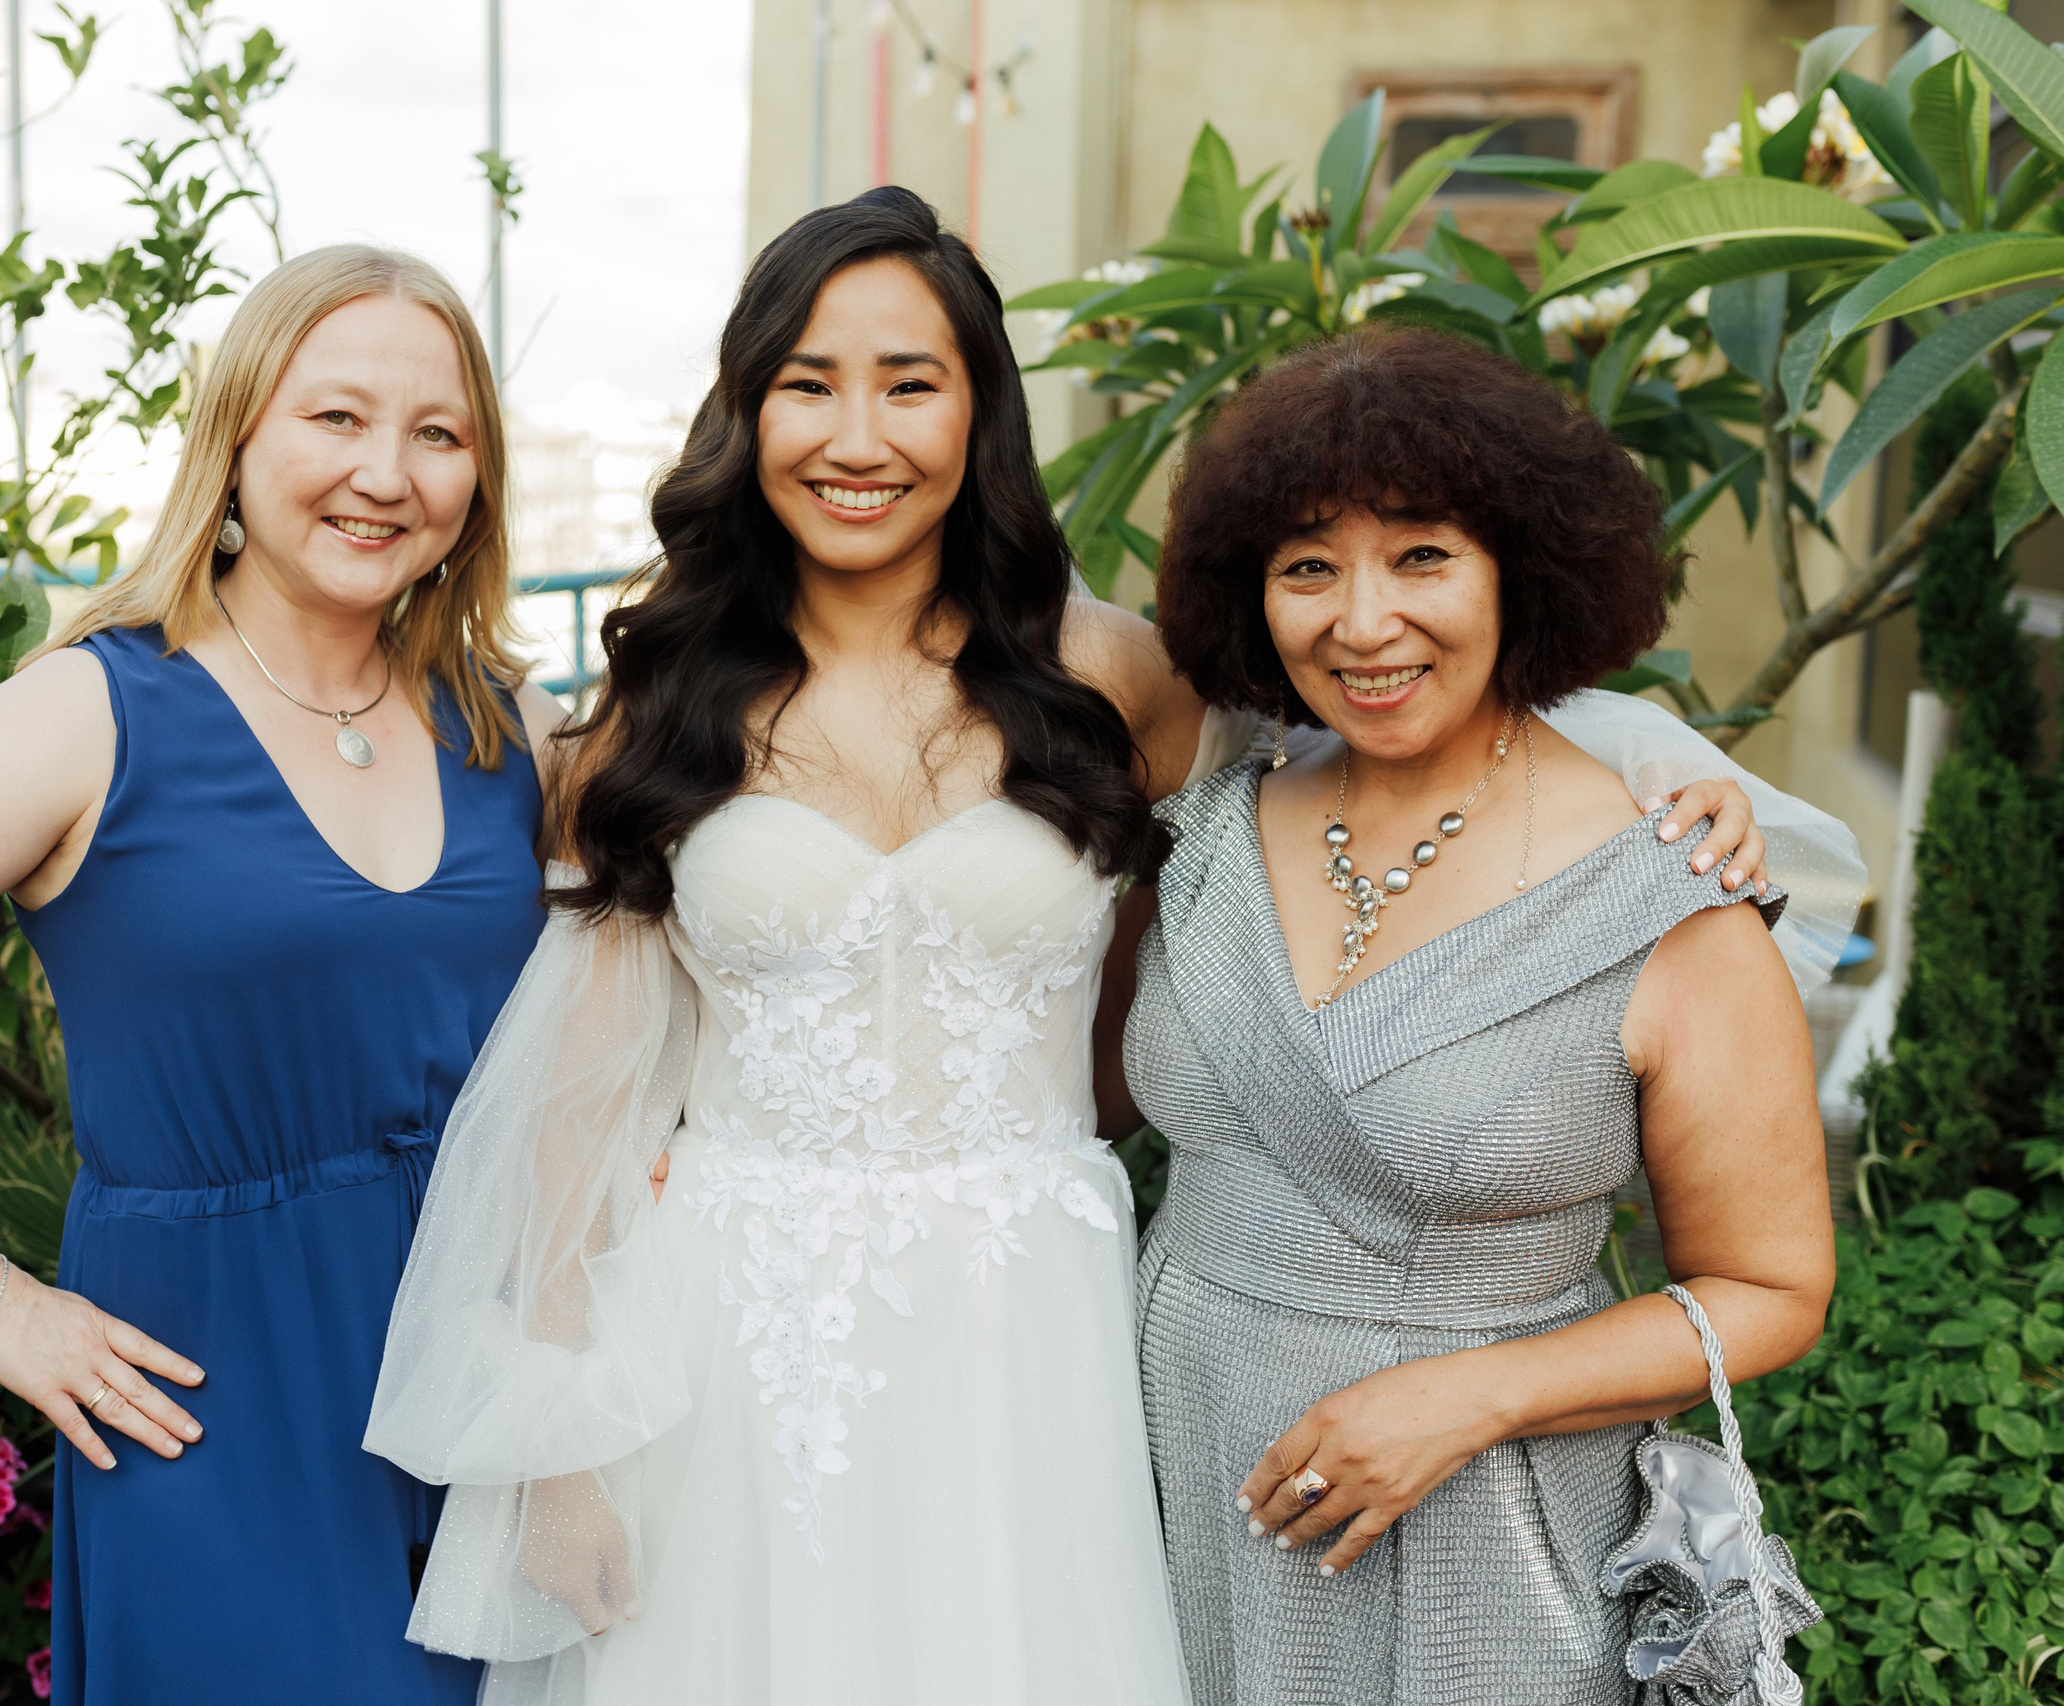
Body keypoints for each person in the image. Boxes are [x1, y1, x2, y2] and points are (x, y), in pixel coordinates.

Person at [363, 189, 1784, 1706]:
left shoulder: (1118, 673)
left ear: (981, 411)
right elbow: (578, 1101)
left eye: (911, 383)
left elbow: (1403, 725)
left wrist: (1654, 769)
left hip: (1025, 1327)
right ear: (746, 412)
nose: (860, 436)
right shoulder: (656, 704)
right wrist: (567, 1455)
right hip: (727, 1328)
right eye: (808, 384)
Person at [0, 244, 562, 1704]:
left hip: (485, 1386)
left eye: (439, 433)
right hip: (214, 1403)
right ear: (235, 435)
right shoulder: (93, 711)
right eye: (335, 417)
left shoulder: (513, 725)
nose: (387, 473)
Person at [1125, 323, 1844, 1705]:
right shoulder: (1211, 818)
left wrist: (1470, 1393)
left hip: (1474, 1536)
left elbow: (1772, 1288)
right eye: (1307, 566)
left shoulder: (1673, 900)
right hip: (1169, 1478)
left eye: (1423, 555)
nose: (1363, 619)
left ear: (1522, 566)